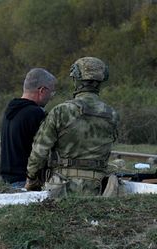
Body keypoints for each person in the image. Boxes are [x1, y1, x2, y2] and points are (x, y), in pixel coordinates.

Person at [25, 57, 119, 197]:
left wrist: (31, 180)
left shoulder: (61, 111)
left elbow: (39, 151)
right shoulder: (112, 114)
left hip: (61, 186)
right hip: (97, 188)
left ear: (76, 79)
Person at [0, 68, 57, 187]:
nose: (51, 97)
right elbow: (44, 150)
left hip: (7, 180)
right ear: (42, 90)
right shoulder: (35, 113)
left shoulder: (11, 110)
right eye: (51, 92)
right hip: (25, 181)